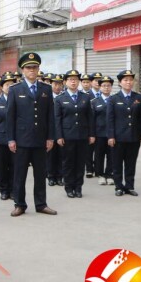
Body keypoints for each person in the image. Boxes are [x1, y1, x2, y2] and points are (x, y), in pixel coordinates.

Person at [6, 52, 57, 217]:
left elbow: (50, 115)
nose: (32, 70)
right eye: (29, 68)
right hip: (21, 140)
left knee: (40, 174)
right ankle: (20, 204)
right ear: (22, 70)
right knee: (19, 174)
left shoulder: (46, 89)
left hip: (40, 139)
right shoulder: (15, 89)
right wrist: (11, 139)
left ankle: (41, 204)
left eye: (34, 67)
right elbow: (10, 116)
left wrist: (50, 137)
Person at [107, 70, 141, 196]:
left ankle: (129, 186)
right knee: (117, 163)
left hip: (134, 136)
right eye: (125, 80)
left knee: (131, 163)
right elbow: (110, 119)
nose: (128, 82)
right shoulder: (113, 99)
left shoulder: (138, 97)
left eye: (130, 80)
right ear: (120, 83)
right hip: (118, 137)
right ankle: (119, 187)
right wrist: (111, 136)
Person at [54, 70, 95, 198]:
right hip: (67, 136)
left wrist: (92, 134)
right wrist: (59, 136)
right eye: (70, 79)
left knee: (80, 162)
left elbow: (90, 117)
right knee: (68, 163)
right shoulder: (60, 99)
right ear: (65, 82)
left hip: (82, 135)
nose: (73, 81)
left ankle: (78, 187)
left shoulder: (86, 97)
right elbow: (57, 119)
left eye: (76, 79)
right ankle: (69, 187)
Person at [0, 73, 16, 200]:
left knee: (14, 166)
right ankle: (3, 190)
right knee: (1, 166)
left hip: (16, 139)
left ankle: (13, 190)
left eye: (12, 84)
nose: (9, 87)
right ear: (2, 87)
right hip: (0, 139)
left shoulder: (19, 101)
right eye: (7, 85)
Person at [91, 75, 114, 186]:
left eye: (108, 86)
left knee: (111, 155)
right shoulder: (95, 101)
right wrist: (92, 134)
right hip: (99, 133)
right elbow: (92, 119)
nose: (106, 88)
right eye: (103, 86)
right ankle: (100, 174)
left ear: (111, 87)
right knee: (99, 155)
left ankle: (109, 174)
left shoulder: (115, 100)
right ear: (100, 87)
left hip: (112, 133)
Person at [47, 74, 64, 186]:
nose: (57, 87)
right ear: (51, 84)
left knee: (61, 155)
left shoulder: (64, 97)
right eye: (55, 84)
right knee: (50, 155)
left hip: (62, 130)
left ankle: (59, 176)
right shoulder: (47, 97)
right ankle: (51, 176)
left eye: (59, 84)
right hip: (50, 130)